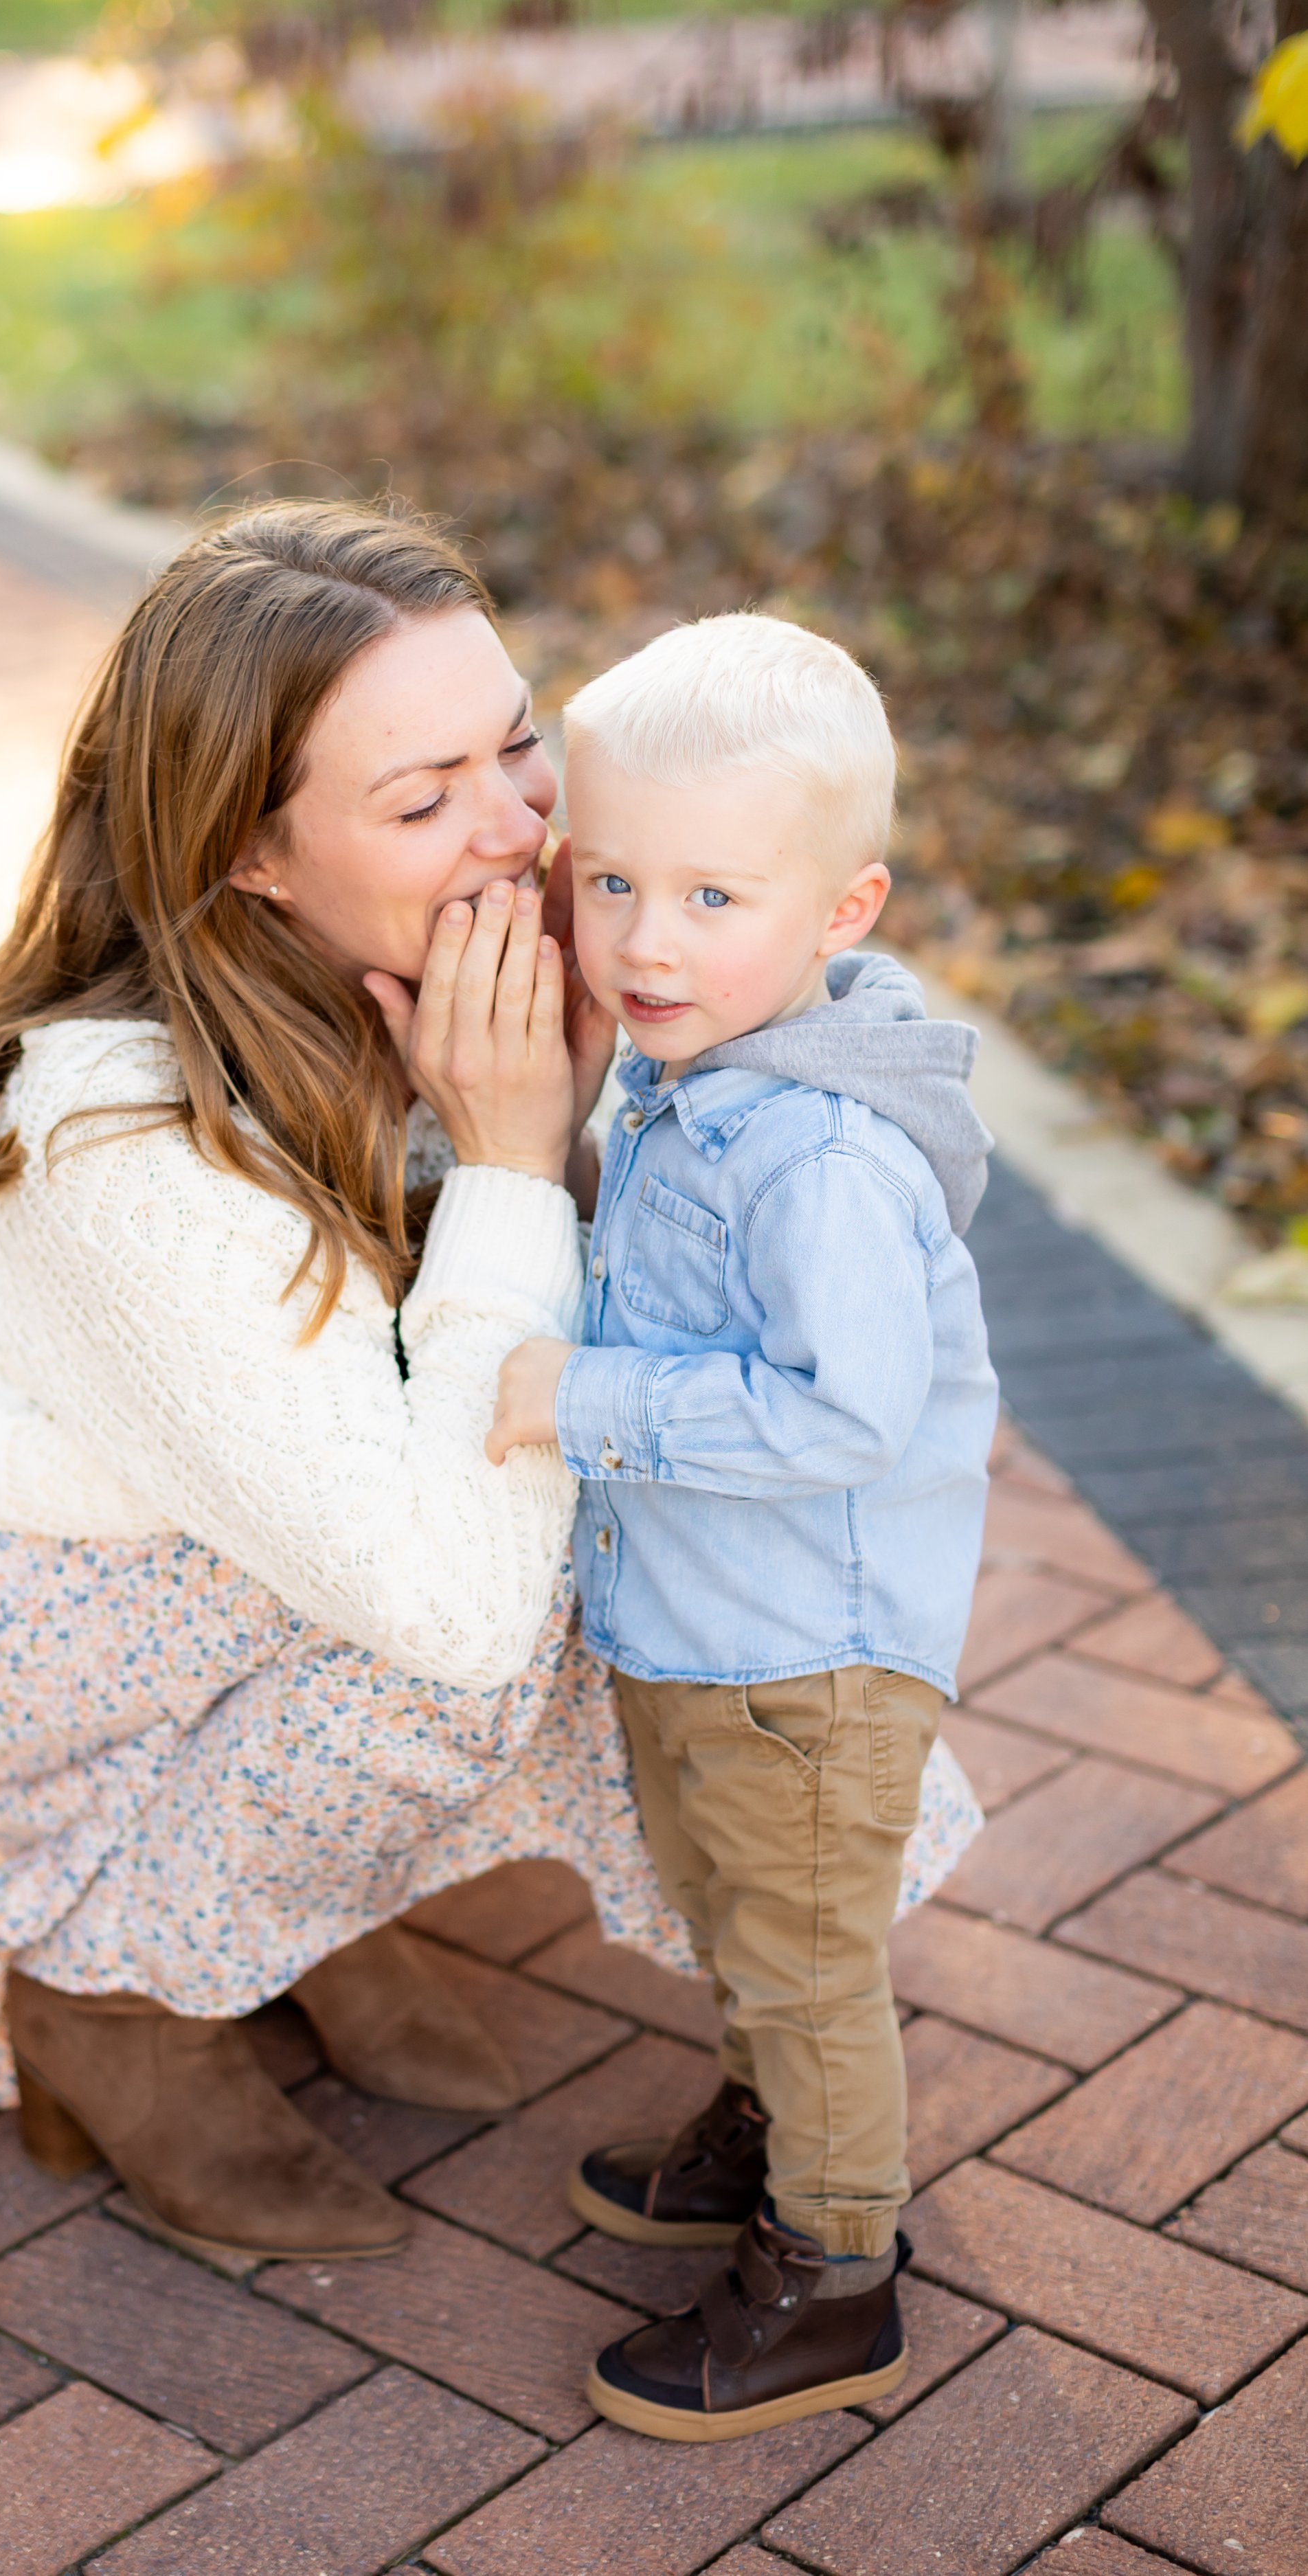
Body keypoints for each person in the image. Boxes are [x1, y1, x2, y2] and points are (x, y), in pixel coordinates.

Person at [0, 499, 683, 2268]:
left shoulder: (419, 953)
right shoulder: (111, 1132)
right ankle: (118, 1997)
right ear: (252, 853)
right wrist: (505, 1161)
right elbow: (460, 1596)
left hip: (187, 1514)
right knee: (469, 1633)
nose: (511, 827)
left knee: (594, 1488)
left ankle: (275, 1900)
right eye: (421, 802)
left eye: (515, 744)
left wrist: (565, 1122)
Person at [488, 611, 999, 2438]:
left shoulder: (818, 1159)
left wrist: (583, 1398)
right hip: (711, 1623)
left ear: (839, 913)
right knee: (732, 1917)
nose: (641, 939)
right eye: (609, 878)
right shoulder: (694, 1063)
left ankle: (833, 2269)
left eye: (712, 896)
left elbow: (845, 1411)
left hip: (804, 1655)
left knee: (798, 1956)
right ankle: (776, 2118)